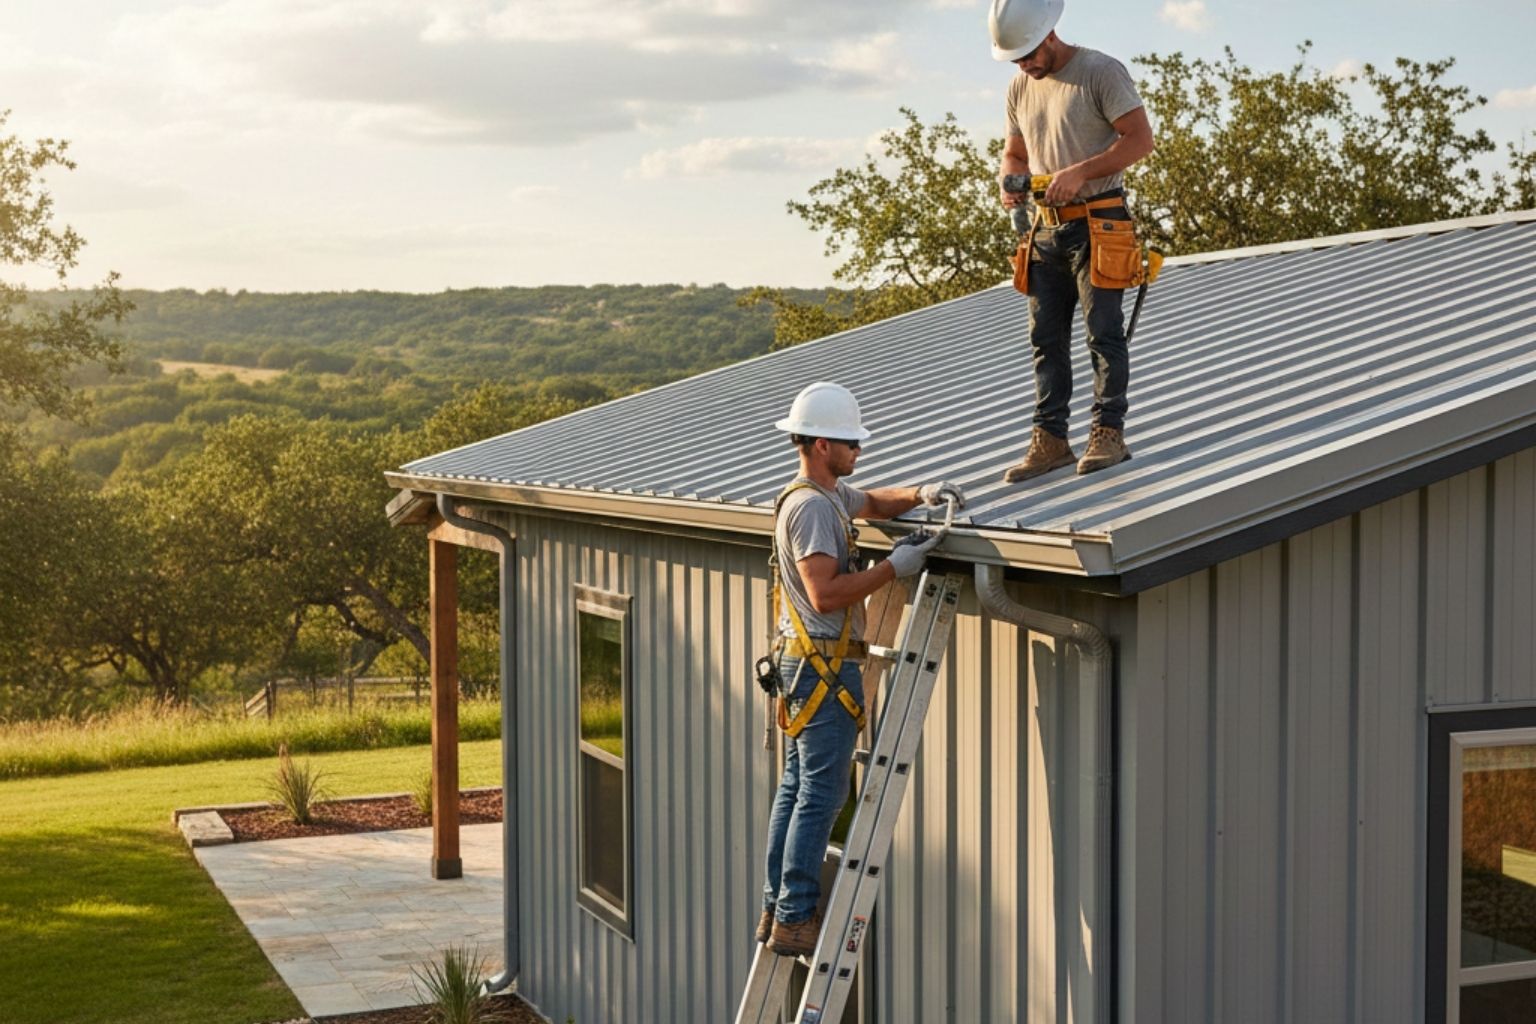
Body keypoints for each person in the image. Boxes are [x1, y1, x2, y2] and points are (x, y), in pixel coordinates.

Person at [758, 381, 964, 957]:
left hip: (804, 666)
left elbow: (872, 501)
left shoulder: (821, 496)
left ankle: (777, 906)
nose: (859, 451)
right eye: (850, 443)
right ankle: (796, 916)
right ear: (822, 445)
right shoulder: (813, 512)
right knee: (819, 795)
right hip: (822, 666)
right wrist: (894, 567)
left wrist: (921, 493)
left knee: (797, 789)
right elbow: (825, 595)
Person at [990, 0, 1155, 482]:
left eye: (1027, 54)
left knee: (1103, 333)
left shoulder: (1100, 72)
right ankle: (1051, 439)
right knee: (1045, 338)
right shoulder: (1020, 86)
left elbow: (1139, 140)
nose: (1023, 65)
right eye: (1015, 58)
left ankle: (1108, 433)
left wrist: (1077, 173)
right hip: (1046, 228)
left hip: (1100, 223)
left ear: (1048, 34)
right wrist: (1009, 177)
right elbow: (1014, 152)